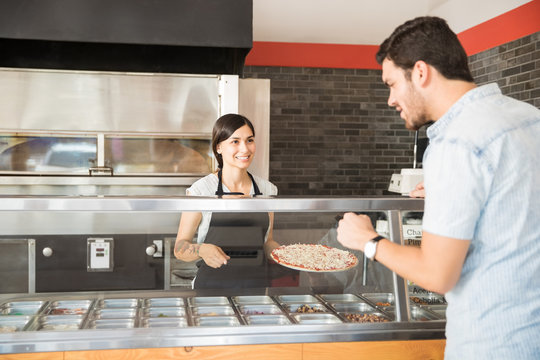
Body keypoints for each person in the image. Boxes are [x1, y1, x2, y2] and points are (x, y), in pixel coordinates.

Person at [337, 16, 540, 359]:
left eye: (391, 84)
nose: (390, 100)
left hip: (493, 343)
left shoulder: (456, 142)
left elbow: (436, 274)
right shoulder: (530, 118)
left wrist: (368, 241)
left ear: (420, 72)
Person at [174, 113, 281, 289]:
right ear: (218, 147)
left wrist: (289, 256)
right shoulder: (201, 191)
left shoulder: (267, 190)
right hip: (211, 289)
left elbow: (267, 241)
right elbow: (180, 248)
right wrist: (202, 249)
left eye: (250, 140)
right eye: (235, 141)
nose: (245, 149)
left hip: (256, 288)